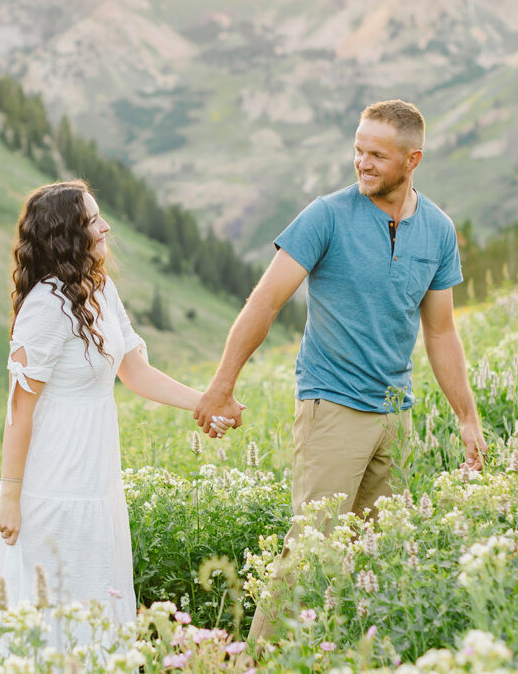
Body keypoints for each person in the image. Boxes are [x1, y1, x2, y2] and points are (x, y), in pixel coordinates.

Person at [193, 100, 488, 646]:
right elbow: (265, 302)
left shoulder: (438, 231)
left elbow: (442, 332)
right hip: (332, 407)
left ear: (412, 159)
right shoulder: (326, 215)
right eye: (358, 150)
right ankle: (257, 661)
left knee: (379, 559)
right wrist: (221, 385)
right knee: (310, 552)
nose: (362, 163)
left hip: (395, 418)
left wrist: (466, 417)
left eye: (377, 154)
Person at [0, 180, 232, 642]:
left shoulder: (99, 289)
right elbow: (19, 411)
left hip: (96, 475)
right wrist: (9, 496)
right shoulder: (45, 306)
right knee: (51, 602)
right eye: (94, 220)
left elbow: (135, 372)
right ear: (67, 234)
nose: (105, 227)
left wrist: (205, 403)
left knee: (94, 592)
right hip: (54, 481)